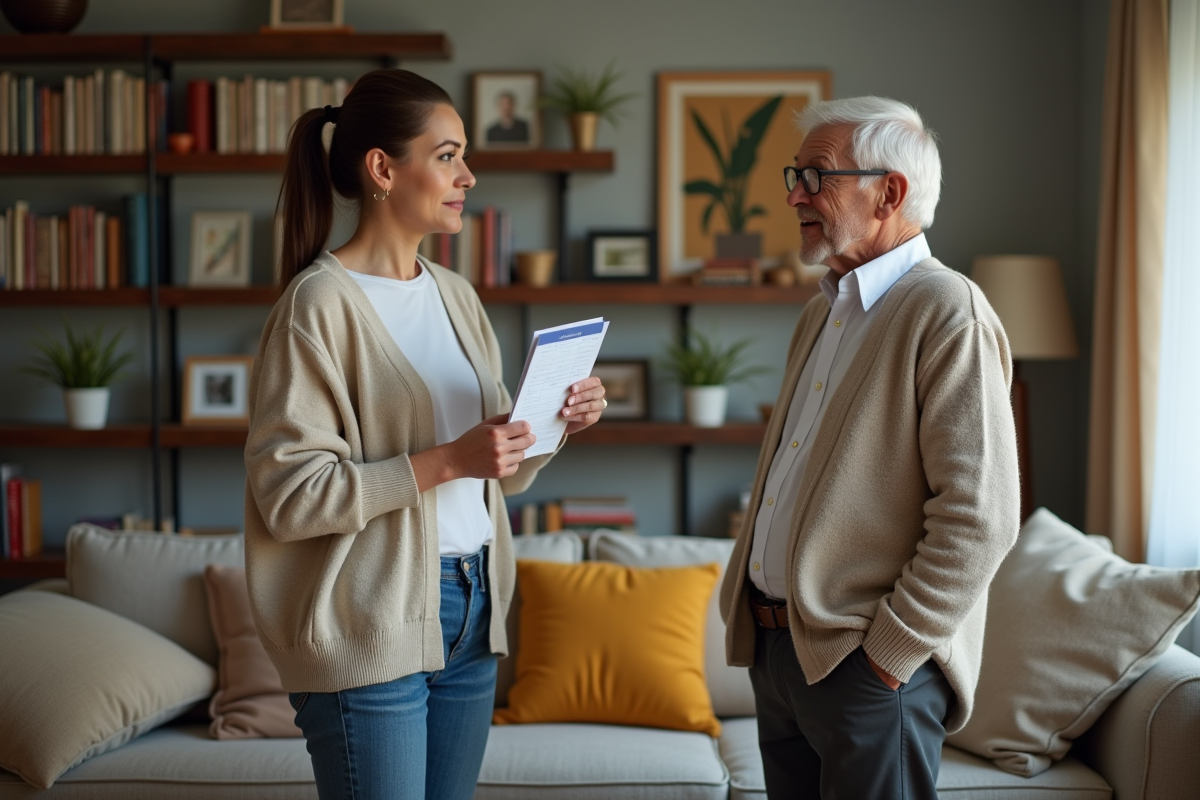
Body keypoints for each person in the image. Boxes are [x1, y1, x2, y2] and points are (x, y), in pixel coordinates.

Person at [243, 69, 607, 800]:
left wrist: (551, 424)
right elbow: (290, 495)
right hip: (369, 614)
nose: (468, 176)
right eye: (447, 156)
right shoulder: (318, 305)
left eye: (464, 156)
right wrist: (446, 461)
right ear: (382, 168)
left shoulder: (456, 296)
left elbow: (499, 472)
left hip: (474, 604)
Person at [718, 96, 1021, 799]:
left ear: (889, 193)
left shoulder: (947, 309)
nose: (795, 195)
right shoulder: (821, 312)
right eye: (795, 176)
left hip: (865, 668)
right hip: (781, 654)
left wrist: (888, 655)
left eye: (817, 176)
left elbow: (980, 518)